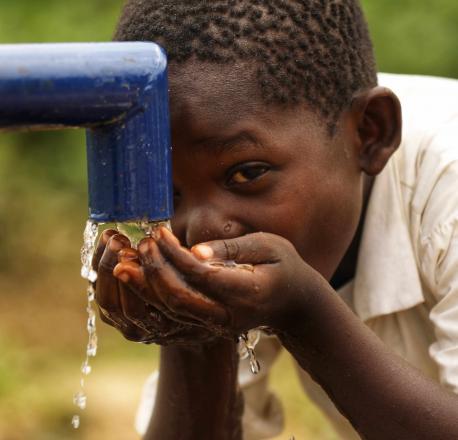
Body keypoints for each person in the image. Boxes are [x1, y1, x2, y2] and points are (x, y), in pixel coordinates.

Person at [93, 1, 458, 438]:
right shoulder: (285, 130)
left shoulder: (447, 180)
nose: (199, 231)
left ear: (370, 133)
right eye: (166, 195)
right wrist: (195, 331)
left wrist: (306, 315)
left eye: (246, 174)